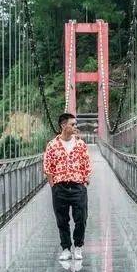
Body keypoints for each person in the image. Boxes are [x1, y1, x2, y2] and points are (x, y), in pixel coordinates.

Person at [43, 112, 92, 261]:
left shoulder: (81, 144)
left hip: (78, 186)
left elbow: (87, 163)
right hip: (60, 187)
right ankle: (66, 249)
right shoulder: (52, 145)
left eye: (75, 124)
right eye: (73, 124)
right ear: (63, 125)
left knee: (81, 218)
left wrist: (85, 181)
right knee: (61, 220)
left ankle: (78, 247)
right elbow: (47, 166)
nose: (75, 127)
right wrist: (53, 185)